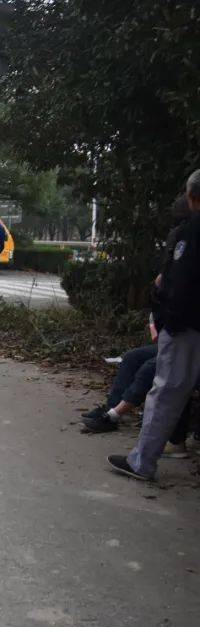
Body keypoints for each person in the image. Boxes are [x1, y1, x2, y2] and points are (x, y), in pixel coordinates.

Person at [109, 170, 200, 481]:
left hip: (186, 327)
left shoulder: (191, 234)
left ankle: (142, 462)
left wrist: (166, 322)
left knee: (166, 391)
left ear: (192, 198)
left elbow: (179, 286)